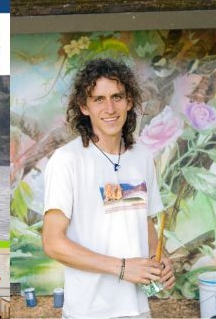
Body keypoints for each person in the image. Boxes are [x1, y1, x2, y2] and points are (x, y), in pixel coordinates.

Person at [42, 58, 175, 318]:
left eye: (117, 96)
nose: (110, 108)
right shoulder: (67, 160)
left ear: (129, 102)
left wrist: (160, 259)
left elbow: (144, 224)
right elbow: (53, 242)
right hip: (89, 311)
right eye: (98, 99)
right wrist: (122, 268)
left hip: (137, 310)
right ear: (84, 106)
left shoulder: (143, 157)